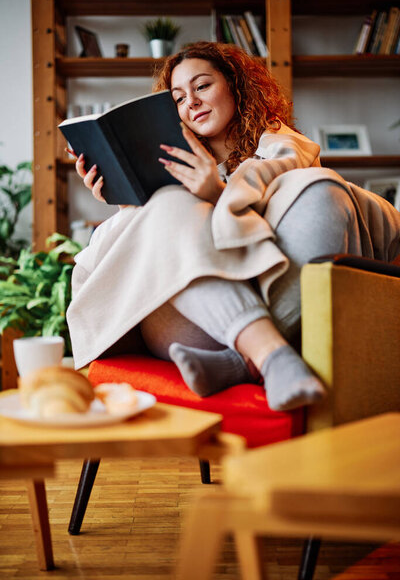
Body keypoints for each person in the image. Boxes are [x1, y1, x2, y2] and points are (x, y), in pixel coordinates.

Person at [67, 41, 400, 411]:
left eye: (202, 86)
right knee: (169, 202)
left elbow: (301, 219)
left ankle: (244, 361)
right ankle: (266, 356)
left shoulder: (283, 148)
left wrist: (217, 192)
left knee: (320, 188)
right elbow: (135, 256)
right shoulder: (169, 167)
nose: (190, 102)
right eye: (178, 97)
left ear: (236, 86)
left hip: (267, 299)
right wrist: (125, 199)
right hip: (180, 323)